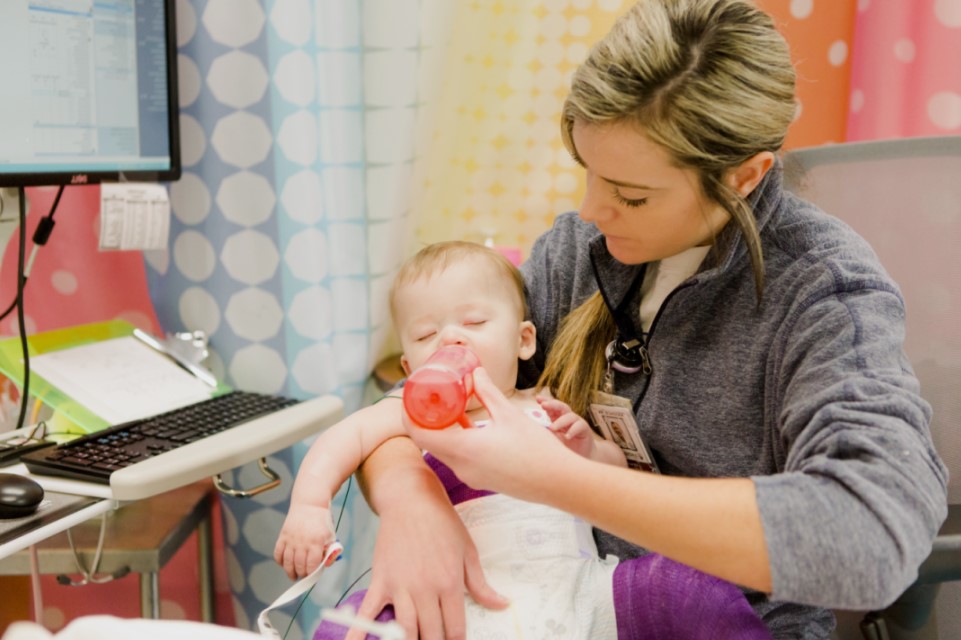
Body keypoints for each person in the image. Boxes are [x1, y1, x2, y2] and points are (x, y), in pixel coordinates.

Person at [349, 2, 950, 639]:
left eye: (632, 195)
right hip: (555, 606)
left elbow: (870, 536)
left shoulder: (822, 293)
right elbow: (434, 385)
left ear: (743, 177)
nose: (592, 210)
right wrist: (409, 499)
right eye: (590, 175)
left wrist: (561, 480)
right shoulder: (575, 258)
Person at [275, 240, 772, 639]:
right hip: (458, 606)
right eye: (426, 335)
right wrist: (309, 507)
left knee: (688, 588)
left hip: (577, 594)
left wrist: (588, 450)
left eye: (474, 323)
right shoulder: (416, 420)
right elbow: (343, 437)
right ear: (408, 371)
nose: (452, 339)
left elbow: (616, 475)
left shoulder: (547, 401)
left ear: (524, 340)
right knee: (345, 627)